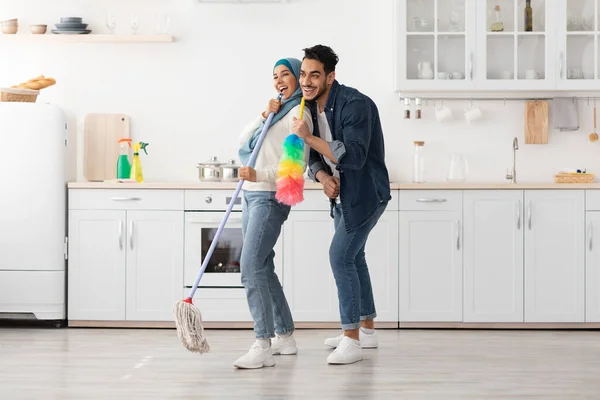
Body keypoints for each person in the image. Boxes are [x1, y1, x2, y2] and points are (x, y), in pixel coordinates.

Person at [291, 45, 391, 365]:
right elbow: (316, 159)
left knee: (340, 256)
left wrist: (308, 137)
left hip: (366, 193)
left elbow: (354, 156)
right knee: (354, 256)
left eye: (315, 75)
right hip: (342, 192)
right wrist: (322, 177)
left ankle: (351, 339)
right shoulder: (308, 107)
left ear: (330, 77)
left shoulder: (354, 104)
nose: (306, 81)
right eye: (304, 74)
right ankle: (367, 331)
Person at [233, 57, 313, 369]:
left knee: (250, 267)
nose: (279, 80)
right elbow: (243, 140)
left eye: (285, 74)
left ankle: (262, 343)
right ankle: (285, 336)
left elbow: (294, 170)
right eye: (275, 76)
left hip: (268, 198)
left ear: (297, 79)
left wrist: (258, 175)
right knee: (263, 267)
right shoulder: (277, 112)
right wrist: (264, 113)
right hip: (251, 197)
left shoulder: (299, 114)